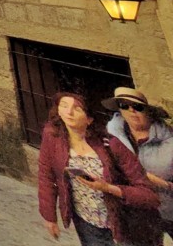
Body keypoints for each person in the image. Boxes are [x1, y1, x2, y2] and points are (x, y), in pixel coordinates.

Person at [38, 91, 159, 245]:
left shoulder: (111, 145)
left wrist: (107, 187)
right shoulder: (52, 137)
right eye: (64, 105)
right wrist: (49, 216)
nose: (69, 112)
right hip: (87, 222)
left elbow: (149, 195)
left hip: (126, 224)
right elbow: (46, 175)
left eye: (77, 108)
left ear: (89, 119)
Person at [104, 87, 173, 245]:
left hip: (168, 209)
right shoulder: (112, 136)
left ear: (148, 112)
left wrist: (164, 184)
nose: (131, 111)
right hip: (135, 211)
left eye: (138, 107)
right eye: (124, 106)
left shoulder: (170, 141)